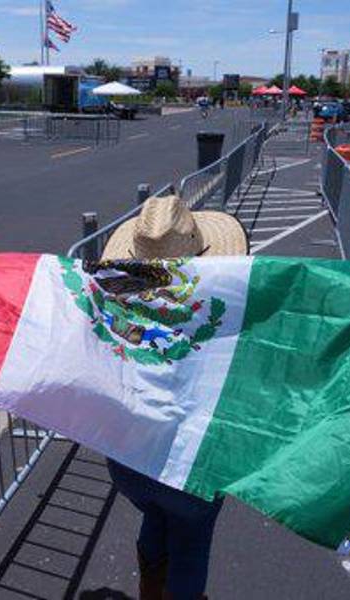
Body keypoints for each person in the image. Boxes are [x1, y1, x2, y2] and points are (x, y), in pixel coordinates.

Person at [98, 195, 248, 600]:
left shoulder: (117, 309)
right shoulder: (223, 312)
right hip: (190, 459)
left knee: (157, 513)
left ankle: (151, 590)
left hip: (129, 457)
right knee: (191, 538)